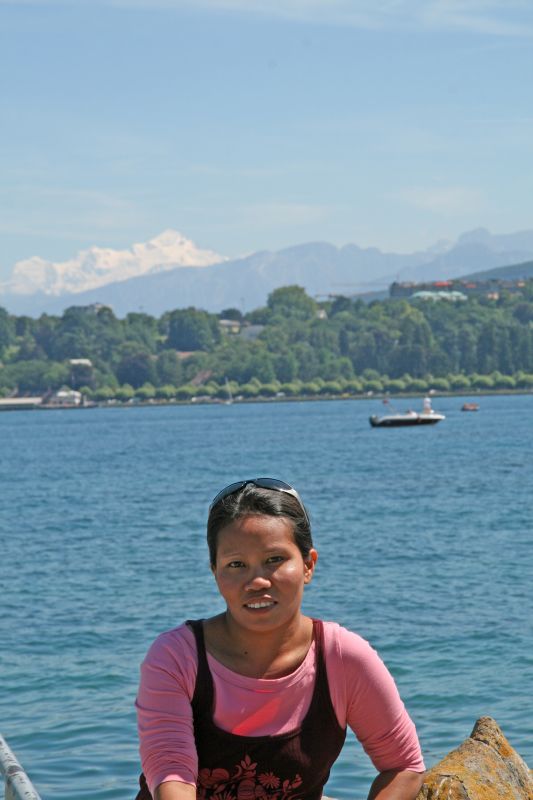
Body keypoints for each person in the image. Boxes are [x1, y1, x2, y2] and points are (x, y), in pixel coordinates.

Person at [135, 478, 425, 800]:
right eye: (236, 564)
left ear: (308, 565)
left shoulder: (343, 658)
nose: (257, 581)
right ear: (215, 572)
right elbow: (171, 776)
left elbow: (404, 766)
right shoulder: (177, 657)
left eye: (274, 560)